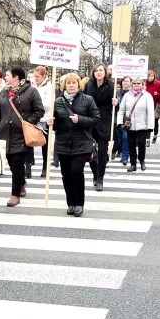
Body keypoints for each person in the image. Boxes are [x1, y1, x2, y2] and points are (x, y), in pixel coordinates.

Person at [47, 73, 99, 217]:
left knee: (76, 172)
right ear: (64, 85)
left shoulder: (87, 100)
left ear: (78, 84)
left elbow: (95, 120)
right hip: (63, 143)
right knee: (66, 174)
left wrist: (79, 119)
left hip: (81, 142)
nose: (71, 85)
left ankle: (79, 203)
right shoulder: (57, 101)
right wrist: (51, 123)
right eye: (68, 83)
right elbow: (56, 123)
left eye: (74, 83)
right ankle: (70, 203)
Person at [0, 65, 44, 207]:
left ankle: (15, 195)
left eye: (7, 75)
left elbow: (39, 111)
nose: (5, 78)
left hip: (21, 135)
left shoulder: (31, 91)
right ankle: (21, 182)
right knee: (11, 162)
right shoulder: (4, 92)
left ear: (16, 77)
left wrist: (27, 123)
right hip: (5, 135)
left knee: (17, 163)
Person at [84, 63, 117, 192]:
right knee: (91, 152)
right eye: (96, 70)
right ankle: (95, 173)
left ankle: (100, 179)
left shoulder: (110, 86)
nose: (98, 72)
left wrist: (115, 102)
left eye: (101, 70)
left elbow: (114, 107)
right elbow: (83, 100)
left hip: (104, 121)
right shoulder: (89, 85)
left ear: (105, 73)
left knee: (102, 152)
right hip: (91, 121)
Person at [117, 78, 154, 171]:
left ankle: (142, 160)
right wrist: (119, 122)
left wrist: (150, 126)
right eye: (134, 83)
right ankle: (133, 164)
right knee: (131, 144)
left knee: (141, 144)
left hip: (143, 125)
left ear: (142, 84)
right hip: (130, 125)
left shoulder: (147, 96)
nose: (136, 85)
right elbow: (121, 110)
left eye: (138, 83)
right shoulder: (127, 95)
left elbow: (150, 111)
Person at [32, 65, 55, 177]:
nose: (35, 79)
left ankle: (45, 166)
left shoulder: (49, 87)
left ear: (44, 76)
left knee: (45, 144)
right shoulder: (32, 86)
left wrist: (36, 102)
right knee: (29, 140)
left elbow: (49, 104)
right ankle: (28, 165)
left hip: (45, 118)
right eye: (34, 76)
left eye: (37, 77)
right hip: (33, 117)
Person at [112, 76, 131, 165]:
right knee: (120, 138)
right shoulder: (117, 94)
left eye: (127, 81)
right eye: (124, 81)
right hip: (118, 119)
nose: (125, 83)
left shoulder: (132, 94)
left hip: (127, 119)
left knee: (125, 138)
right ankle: (122, 152)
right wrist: (114, 103)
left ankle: (125, 156)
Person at [145, 70, 160, 143]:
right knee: (147, 121)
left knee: (155, 121)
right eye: (149, 76)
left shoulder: (158, 84)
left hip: (155, 104)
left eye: (152, 76)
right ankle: (147, 137)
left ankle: (155, 135)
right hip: (146, 105)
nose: (150, 78)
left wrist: (158, 94)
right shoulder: (144, 84)